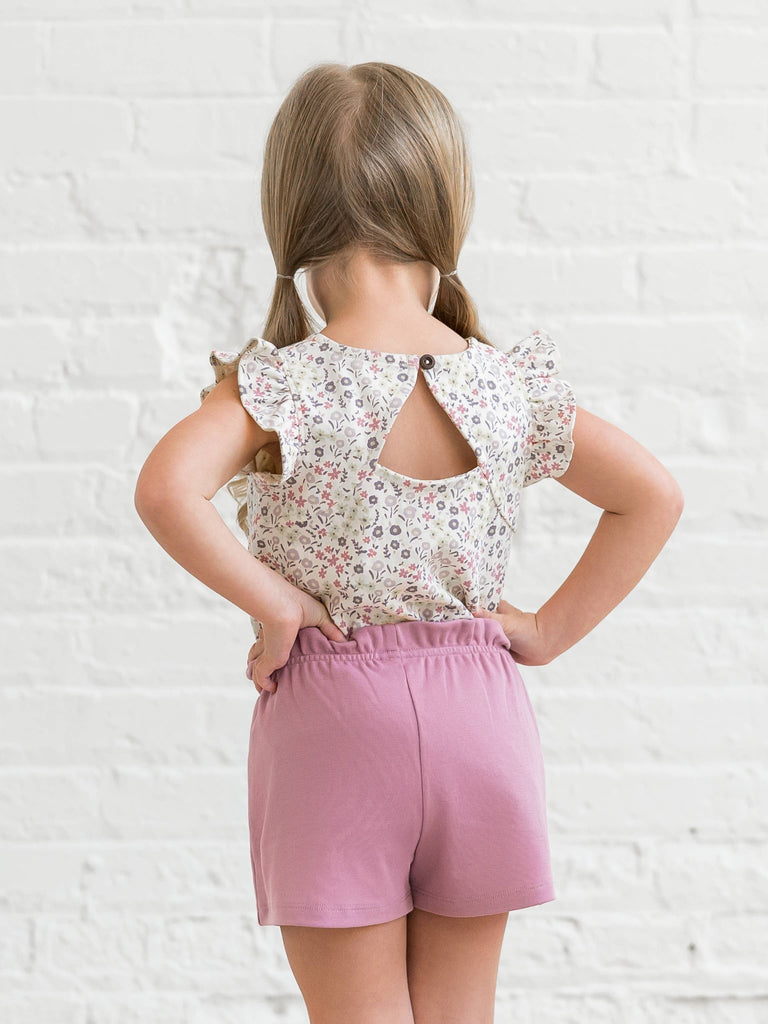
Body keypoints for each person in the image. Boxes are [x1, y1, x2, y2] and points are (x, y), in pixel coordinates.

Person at [134, 61, 684, 1024]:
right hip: (482, 718)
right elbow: (652, 496)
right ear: (442, 204)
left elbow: (165, 488)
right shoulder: (506, 384)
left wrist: (279, 604)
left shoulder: (284, 384)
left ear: (291, 212)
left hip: (335, 720)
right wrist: (545, 631)